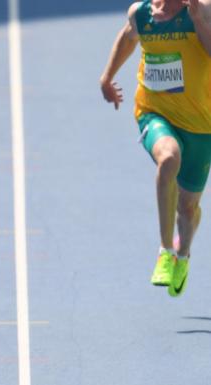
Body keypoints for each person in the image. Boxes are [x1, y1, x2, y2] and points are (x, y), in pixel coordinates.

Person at [100, 0, 211, 296]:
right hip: (154, 112)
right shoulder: (142, 13)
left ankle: (182, 255)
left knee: (188, 209)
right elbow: (128, 36)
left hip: (201, 125)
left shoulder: (203, 10)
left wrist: (199, 21)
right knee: (169, 157)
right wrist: (107, 77)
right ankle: (165, 252)